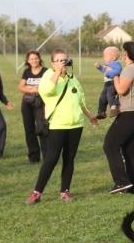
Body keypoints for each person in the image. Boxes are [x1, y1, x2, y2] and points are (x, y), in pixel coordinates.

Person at [26, 49, 98, 204]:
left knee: (69, 159)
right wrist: (57, 73)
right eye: (59, 60)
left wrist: (89, 115)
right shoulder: (47, 77)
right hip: (57, 125)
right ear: (52, 63)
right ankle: (37, 193)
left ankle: (65, 191)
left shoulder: (73, 78)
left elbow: (81, 100)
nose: (63, 63)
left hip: (76, 125)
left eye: (65, 60)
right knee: (51, 158)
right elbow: (47, 91)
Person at [103, 42, 134, 194]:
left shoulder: (129, 69)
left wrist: (114, 75)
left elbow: (121, 90)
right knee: (129, 150)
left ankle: (121, 182)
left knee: (109, 145)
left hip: (130, 114)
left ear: (125, 54)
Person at [18, 50, 49, 163]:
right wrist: (32, 89)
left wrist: (37, 89)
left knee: (42, 129)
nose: (34, 61)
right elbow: (21, 87)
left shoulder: (46, 72)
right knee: (29, 129)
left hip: (41, 103)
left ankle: (47, 157)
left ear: (39, 59)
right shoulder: (27, 72)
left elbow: (49, 85)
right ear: (28, 61)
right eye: (31, 59)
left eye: (36, 58)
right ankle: (33, 157)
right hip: (27, 103)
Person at [94, 46, 122, 119]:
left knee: (110, 95)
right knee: (102, 97)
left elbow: (117, 71)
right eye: (104, 56)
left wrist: (108, 72)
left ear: (113, 58)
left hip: (113, 82)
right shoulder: (108, 64)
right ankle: (101, 112)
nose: (104, 58)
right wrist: (100, 67)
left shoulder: (115, 63)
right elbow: (105, 71)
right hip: (107, 83)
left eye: (106, 56)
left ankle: (114, 108)